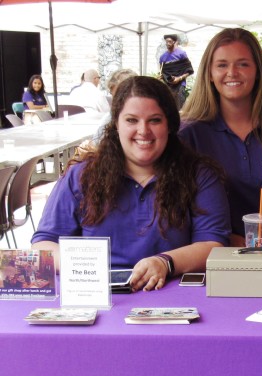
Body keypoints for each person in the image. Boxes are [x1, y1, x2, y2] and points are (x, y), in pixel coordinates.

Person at [32, 76, 231, 292]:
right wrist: (87, 270)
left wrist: (165, 262)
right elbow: (44, 244)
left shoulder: (199, 175)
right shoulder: (81, 176)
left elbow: (214, 244)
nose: (143, 131)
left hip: (173, 299)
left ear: (170, 125)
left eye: (155, 120)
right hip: (98, 298)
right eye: (131, 120)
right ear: (116, 123)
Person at [180, 28, 262, 248]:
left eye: (243, 64)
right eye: (222, 65)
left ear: (258, 71)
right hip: (210, 255)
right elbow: (177, 210)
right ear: (209, 74)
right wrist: (245, 248)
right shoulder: (188, 133)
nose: (232, 72)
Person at [159, 34, 194, 108]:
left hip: (180, 85)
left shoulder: (181, 54)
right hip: (168, 85)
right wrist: (161, 77)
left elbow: (189, 70)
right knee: (168, 108)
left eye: (170, 41)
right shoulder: (162, 57)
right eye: (166, 41)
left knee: (180, 108)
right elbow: (162, 72)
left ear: (175, 42)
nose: (168, 43)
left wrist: (180, 78)